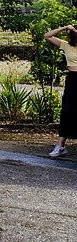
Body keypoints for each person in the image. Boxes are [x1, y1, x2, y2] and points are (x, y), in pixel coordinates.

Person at [44, 24, 77, 158]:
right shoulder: (66, 45)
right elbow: (48, 35)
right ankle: (60, 146)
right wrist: (65, 27)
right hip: (73, 80)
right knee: (67, 111)